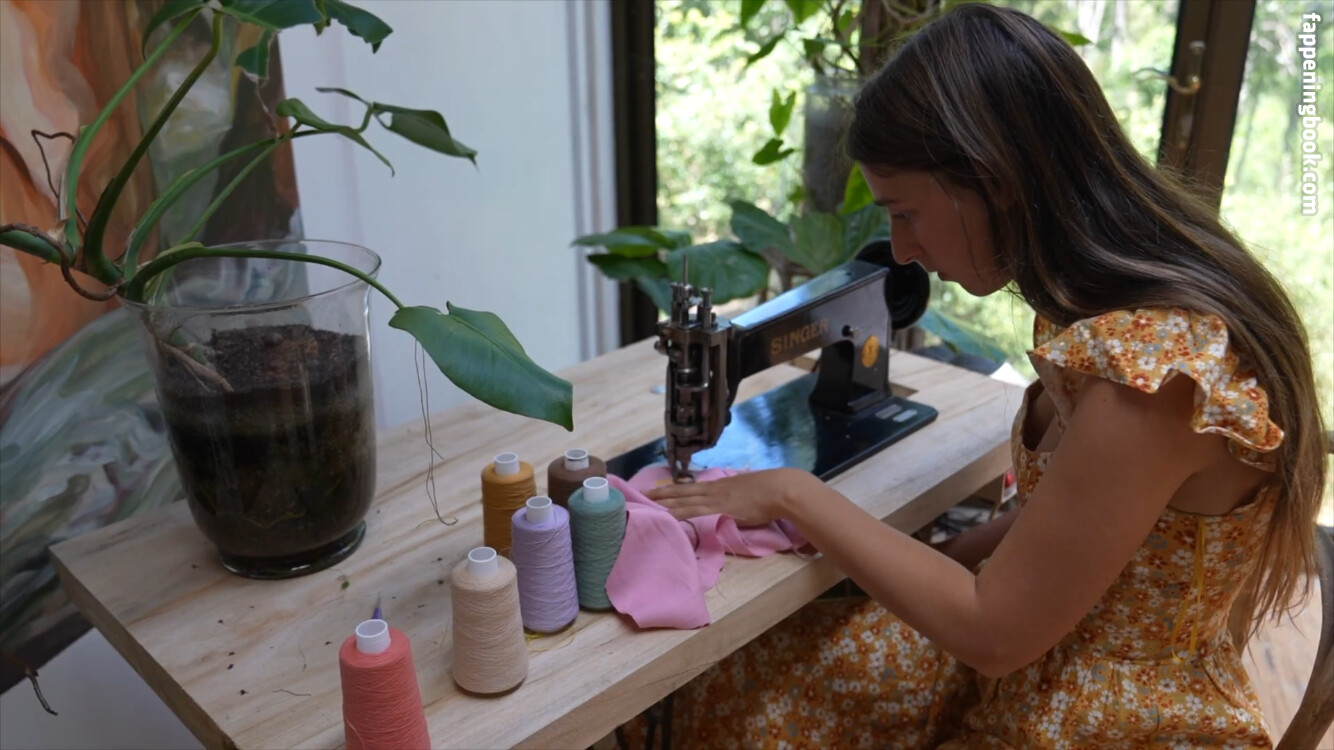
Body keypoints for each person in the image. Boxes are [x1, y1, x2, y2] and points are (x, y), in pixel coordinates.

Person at [624, 4, 1328, 748]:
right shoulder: (1104, 308)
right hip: (1048, 663)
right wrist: (905, 567)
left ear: (992, 181)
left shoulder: (1153, 376)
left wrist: (793, 495)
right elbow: (1070, 521)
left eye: (905, 213)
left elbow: (994, 633)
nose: (899, 250)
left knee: (744, 714)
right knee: (736, 679)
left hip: (1105, 719)